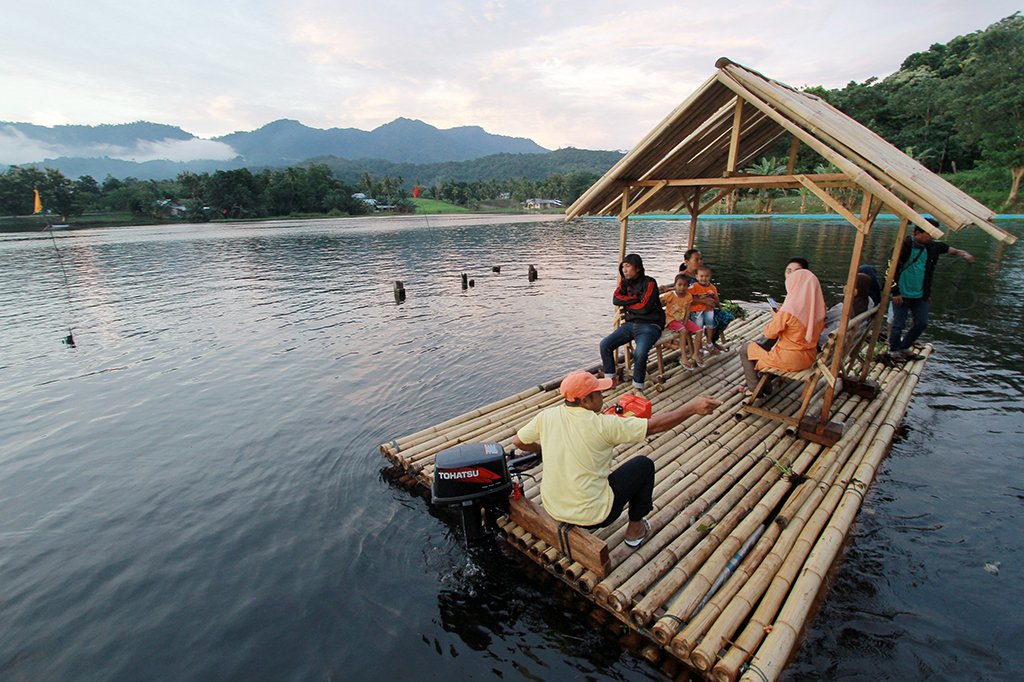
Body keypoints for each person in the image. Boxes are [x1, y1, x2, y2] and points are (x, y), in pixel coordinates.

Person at [512, 371, 721, 547]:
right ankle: (635, 530)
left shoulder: (546, 416)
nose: (603, 396)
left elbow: (518, 441)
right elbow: (655, 426)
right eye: (599, 393)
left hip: (554, 507)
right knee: (643, 465)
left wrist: (541, 451)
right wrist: (692, 408)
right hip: (594, 516)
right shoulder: (604, 425)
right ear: (585, 401)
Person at [888, 219, 974, 360]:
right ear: (916, 232)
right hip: (902, 293)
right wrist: (895, 291)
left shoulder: (933, 247)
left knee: (922, 322)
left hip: (920, 294)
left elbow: (953, 251)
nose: (930, 237)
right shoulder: (902, 248)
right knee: (899, 324)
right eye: (928, 234)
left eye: (933, 234)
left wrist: (965, 254)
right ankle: (894, 351)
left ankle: (905, 346)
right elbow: (890, 271)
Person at [739, 269, 826, 395]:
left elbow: (769, 333)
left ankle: (755, 389)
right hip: (808, 358)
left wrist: (776, 316)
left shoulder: (789, 310)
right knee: (761, 350)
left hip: (788, 359)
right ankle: (764, 383)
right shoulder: (819, 310)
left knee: (746, 349)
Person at [600, 254, 665, 394]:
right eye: (623, 267)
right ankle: (611, 380)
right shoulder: (625, 283)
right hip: (630, 325)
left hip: (650, 325)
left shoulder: (650, 283)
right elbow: (616, 299)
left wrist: (629, 303)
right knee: (605, 344)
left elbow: (645, 307)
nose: (624, 270)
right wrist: (636, 298)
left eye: (628, 266)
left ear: (638, 268)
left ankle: (637, 386)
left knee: (640, 352)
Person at [678, 250, 732, 351]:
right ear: (687, 262)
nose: (700, 262)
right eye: (696, 260)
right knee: (713, 319)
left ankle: (711, 341)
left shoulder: (701, 273)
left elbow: (709, 291)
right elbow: (683, 298)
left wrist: (712, 304)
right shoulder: (683, 278)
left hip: (705, 307)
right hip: (690, 310)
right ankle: (709, 343)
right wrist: (704, 302)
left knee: (725, 316)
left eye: (701, 259)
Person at [662, 274, 703, 368]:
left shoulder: (688, 296)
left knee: (699, 331)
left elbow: (688, 311)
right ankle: (684, 357)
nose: (682, 287)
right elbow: (660, 303)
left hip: (683, 319)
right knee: (683, 331)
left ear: (688, 286)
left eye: (685, 285)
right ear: (675, 285)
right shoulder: (670, 295)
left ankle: (695, 354)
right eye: (679, 285)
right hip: (671, 319)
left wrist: (685, 322)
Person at [689, 265, 719, 350]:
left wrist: (718, 306)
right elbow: (686, 296)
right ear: (697, 276)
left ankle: (709, 341)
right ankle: (699, 346)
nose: (704, 278)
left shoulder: (712, 287)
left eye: (706, 276)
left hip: (708, 309)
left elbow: (716, 297)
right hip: (696, 310)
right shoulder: (693, 286)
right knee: (699, 326)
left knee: (710, 320)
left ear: (710, 276)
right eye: (701, 276)